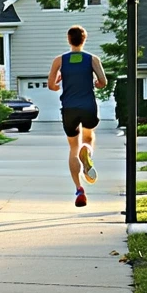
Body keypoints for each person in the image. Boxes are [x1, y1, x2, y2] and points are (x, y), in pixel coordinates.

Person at [48, 26, 108, 207]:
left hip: (69, 109)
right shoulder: (92, 59)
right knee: (88, 137)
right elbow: (102, 82)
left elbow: (51, 85)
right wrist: (96, 84)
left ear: (68, 39)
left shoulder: (59, 61)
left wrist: (58, 83)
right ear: (84, 39)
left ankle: (79, 189)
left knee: (73, 147)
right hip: (88, 106)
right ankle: (87, 153)